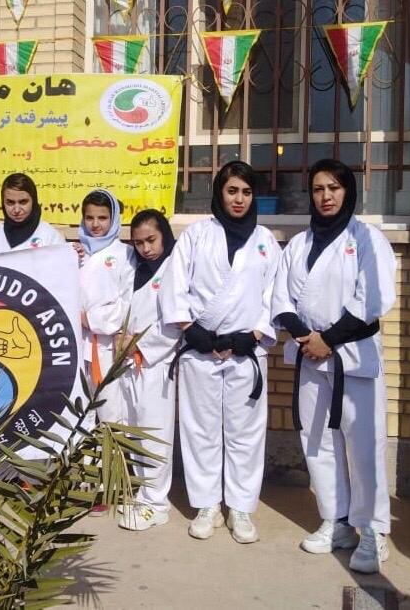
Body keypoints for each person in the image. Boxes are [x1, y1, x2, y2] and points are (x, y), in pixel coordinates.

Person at [272, 158, 396, 574]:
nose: (326, 196)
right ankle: (336, 521)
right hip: (311, 356)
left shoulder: (368, 239)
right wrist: (306, 337)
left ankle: (374, 532)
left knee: (363, 445)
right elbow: (280, 298)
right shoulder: (299, 244)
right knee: (316, 440)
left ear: (348, 191)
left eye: (334, 188)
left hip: (352, 358)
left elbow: (373, 299)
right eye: (318, 189)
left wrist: (329, 339)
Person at [159, 161, 281, 543]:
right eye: (232, 191)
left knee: (246, 433)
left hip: (246, 351)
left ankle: (241, 507)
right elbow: (174, 288)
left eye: (246, 192)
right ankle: (207, 504)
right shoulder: (197, 235)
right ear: (219, 193)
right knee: (200, 430)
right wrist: (192, 332)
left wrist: (254, 335)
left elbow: (275, 295)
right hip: (202, 349)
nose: (239, 199)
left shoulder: (265, 241)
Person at [117, 209, 180, 532]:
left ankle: (157, 503)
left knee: (154, 434)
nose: (146, 248)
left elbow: (175, 323)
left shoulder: (174, 269)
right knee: (135, 430)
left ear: (165, 235)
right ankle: (143, 494)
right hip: (129, 362)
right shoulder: (134, 268)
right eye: (138, 242)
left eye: (151, 240)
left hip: (155, 363)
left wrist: (139, 345)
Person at [75, 189, 132, 515]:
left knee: (111, 415)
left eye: (103, 218)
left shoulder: (125, 255)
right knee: (81, 415)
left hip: (108, 346)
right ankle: (84, 485)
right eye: (90, 218)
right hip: (78, 344)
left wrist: (93, 319)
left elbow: (126, 302)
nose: (96, 224)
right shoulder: (75, 253)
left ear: (114, 219)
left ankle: (112, 485)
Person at [0, 173, 64, 254]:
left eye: (23, 202)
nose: (16, 210)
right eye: (10, 202)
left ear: (33, 201)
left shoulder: (50, 236)